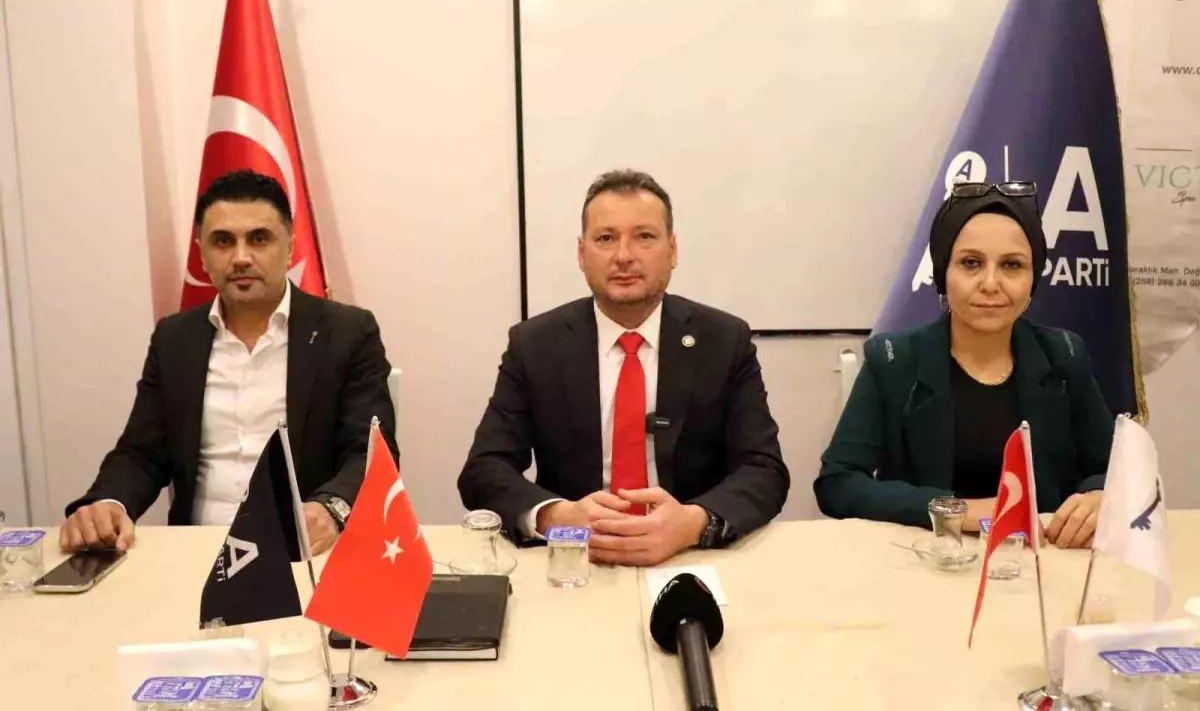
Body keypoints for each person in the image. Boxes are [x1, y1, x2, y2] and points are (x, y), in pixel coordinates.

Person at [458, 169, 790, 567]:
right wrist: (557, 517)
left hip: (690, 556)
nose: (624, 256)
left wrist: (692, 523)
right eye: (605, 238)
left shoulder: (724, 340)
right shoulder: (535, 345)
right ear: (581, 254)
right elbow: (484, 469)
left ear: (672, 250)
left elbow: (763, 469)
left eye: (644, 236)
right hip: (575, 559)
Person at [60, 170, 395, 555]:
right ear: (202, 254)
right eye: (223, 241)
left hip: (300, 552)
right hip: (198, 553)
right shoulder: (175, 339)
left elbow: (372, 451)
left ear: (290, 248)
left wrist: (330, 509)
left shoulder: (347, 332)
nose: (241, 258)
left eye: (259, 239)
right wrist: (109, 502)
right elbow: (141, 452)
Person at [814, 182, 1112, 549]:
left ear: (1033, 278)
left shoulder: (1064, 355)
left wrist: (1099, 496)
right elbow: (838, 483)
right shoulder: (893, 360)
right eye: (971, 263)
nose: (990, 283)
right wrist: (961, 511)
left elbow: (1111, 470)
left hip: (1041, 561)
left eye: (1012, 265)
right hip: (929, 559)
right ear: (943, 272)